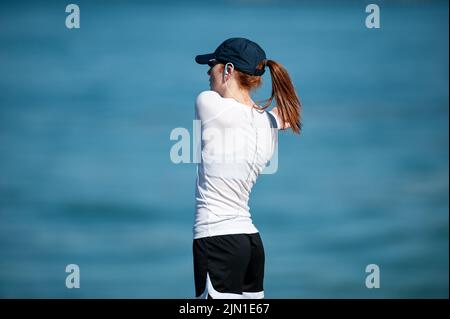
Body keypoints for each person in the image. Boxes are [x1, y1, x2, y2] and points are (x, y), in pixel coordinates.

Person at [193, 37, 302, 299]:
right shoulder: (269, 122)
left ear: (228, 70)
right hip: (250, 243)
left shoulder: (208, 103)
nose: (209, 71)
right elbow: (280, 115)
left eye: (213, 65)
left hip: (217, 238)